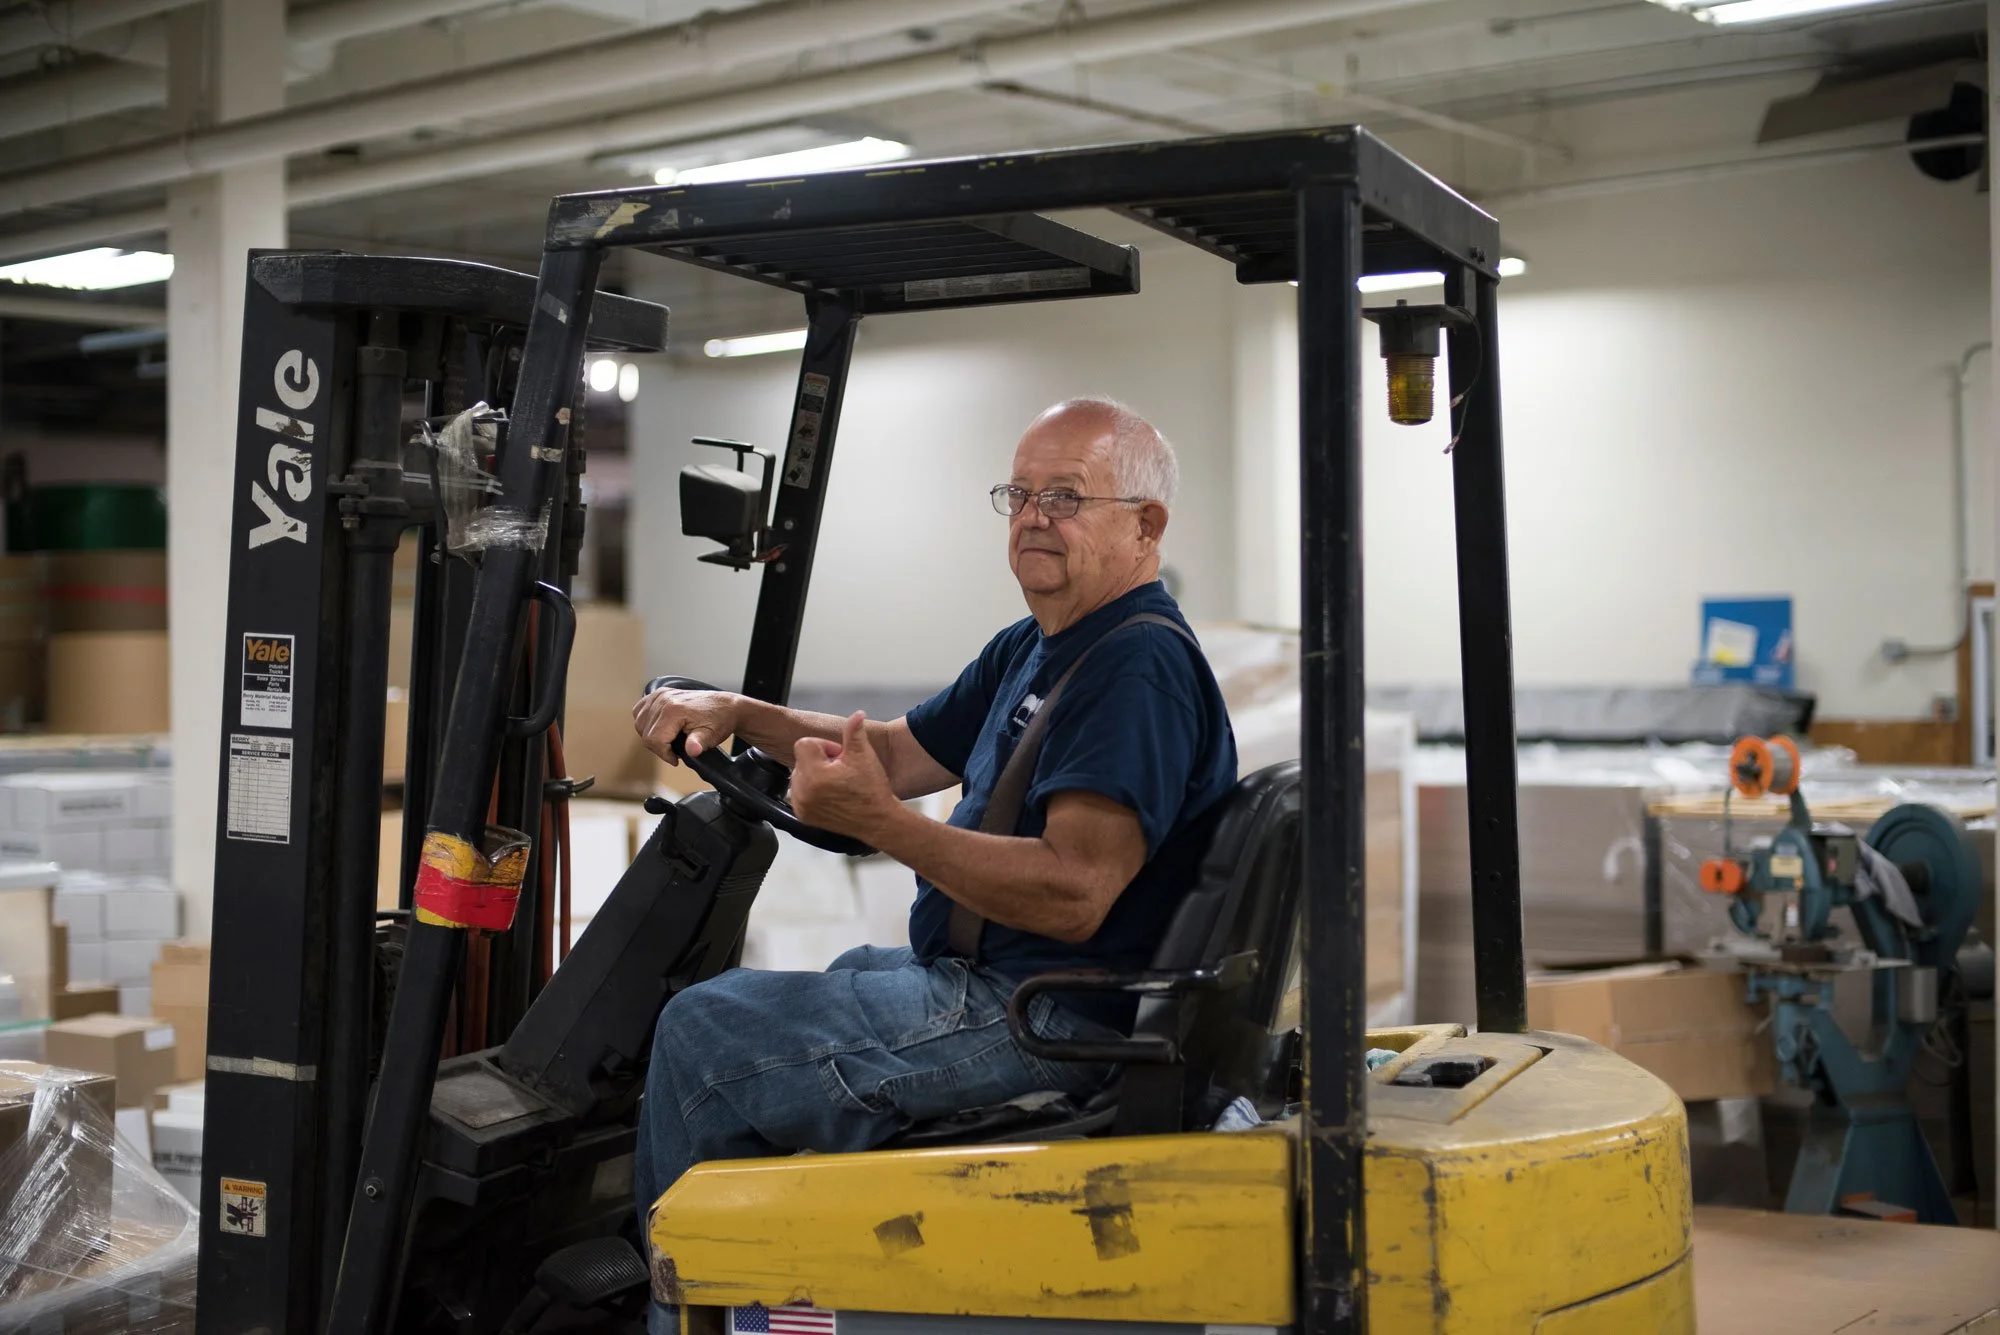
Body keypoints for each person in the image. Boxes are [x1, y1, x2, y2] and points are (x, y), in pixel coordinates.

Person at [627, 396, 1239, 1244]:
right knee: (843, 968)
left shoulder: (1136, 669)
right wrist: (737, 711)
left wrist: (882, 823)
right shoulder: (1037, 644)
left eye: (1064, 497)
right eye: (1017, 495)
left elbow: (1074, 892)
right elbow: (890, 749)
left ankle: (683, 1302)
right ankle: (832, 1255)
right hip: (1016, 986)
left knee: (702, 1031)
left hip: (1056, 1019)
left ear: (1146, 523)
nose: (1032, 518)